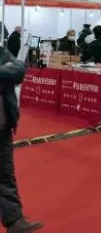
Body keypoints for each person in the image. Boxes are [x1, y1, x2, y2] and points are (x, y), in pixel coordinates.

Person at [0, 46, 44, 232]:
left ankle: (14, 221)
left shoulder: (1, 52)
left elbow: (19, 70)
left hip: (2, 126)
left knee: (5, 174)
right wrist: (4, 74)